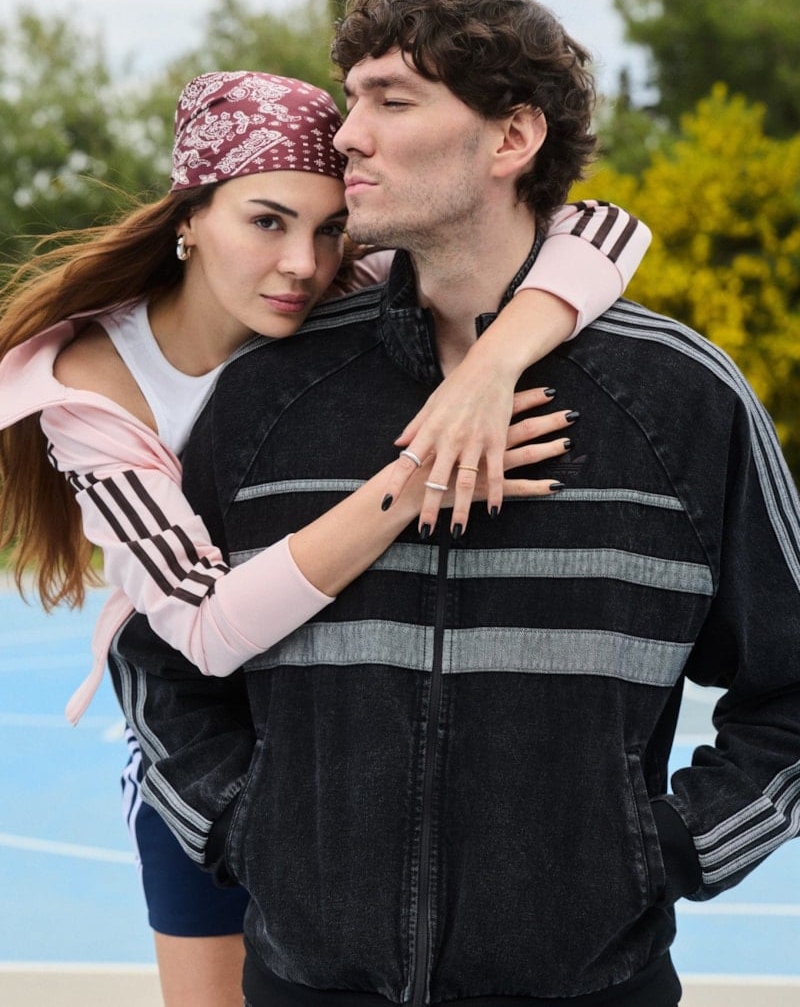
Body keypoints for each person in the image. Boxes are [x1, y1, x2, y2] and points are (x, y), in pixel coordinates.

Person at [111, 0, 800, 1007]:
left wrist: (664, 850)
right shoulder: (268, 394)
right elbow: (159, 656)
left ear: (511, 137)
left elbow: (790, 687)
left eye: (391, 100)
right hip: (309, 984)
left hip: (589, 988)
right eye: (350, 99)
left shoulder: (677, 401)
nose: (347, 135)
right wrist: (244, 826)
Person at [0, 67, 650, 1007]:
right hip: (204, 754)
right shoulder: (96, 388)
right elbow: (206, 625)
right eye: (267, 221)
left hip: (343, 747)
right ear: (191, 217)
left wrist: (488, 373)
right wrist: (423, 473)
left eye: (330, 227)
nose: (303, 264)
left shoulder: (356, 284)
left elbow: (606, 229)